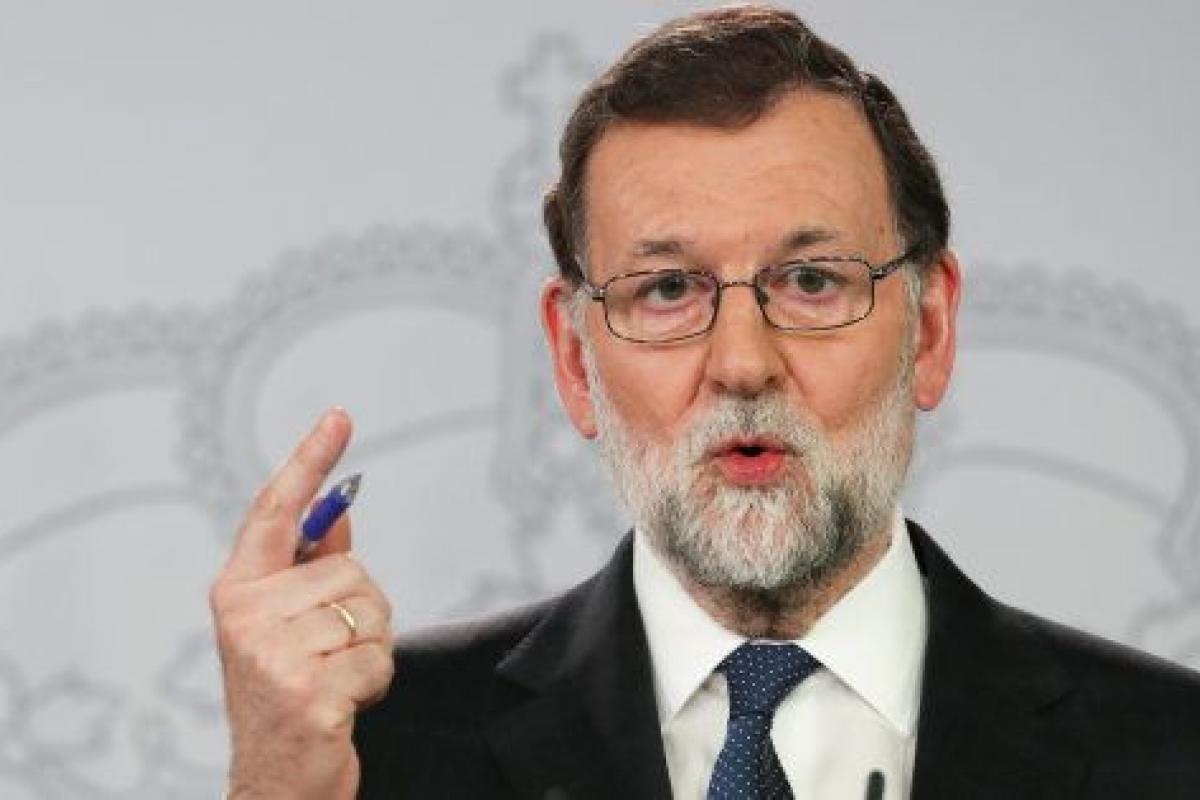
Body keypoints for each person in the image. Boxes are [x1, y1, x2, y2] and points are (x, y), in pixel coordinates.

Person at [210, 6, 1200, 798]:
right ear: (573, 357)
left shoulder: (1173, 749)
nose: (741, 362)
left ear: (930, 329)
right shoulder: (377, 756)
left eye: (811, 281)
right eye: (669, 290)